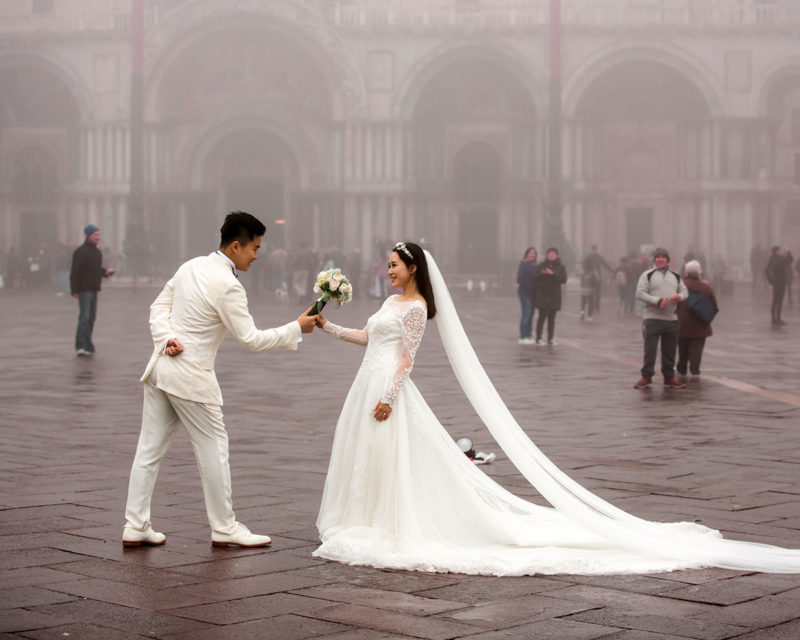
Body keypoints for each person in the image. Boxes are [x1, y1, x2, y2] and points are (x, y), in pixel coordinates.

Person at [311, 240, 800, 575]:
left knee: (393, 456)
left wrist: (388, 398)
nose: (387, 269)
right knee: (368, 456)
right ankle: (368, 514)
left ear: (411, 267)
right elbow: (369, 338)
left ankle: (391, 520)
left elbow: (407, 361)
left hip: (386, 393)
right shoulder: (390, 305)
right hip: (366, 384)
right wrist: (327, 327)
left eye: (393, 264)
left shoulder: (416, 309)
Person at [122, 211, 318, 548]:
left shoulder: (190, 266)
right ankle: (224, 527)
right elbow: (251, 340)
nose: (258, 256)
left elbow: (158, 307)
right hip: (192, 378)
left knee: (148, 451)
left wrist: (166, 336)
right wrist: (296, 328)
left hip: (161, 369)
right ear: (236, 246)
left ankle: (135, 524)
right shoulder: (229, 286)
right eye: (255, 248)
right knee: (214, 449)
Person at [633, 247, 687, 389]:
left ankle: (669, 377)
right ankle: (646, 376)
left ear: (668, 260)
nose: (660, 259)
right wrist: (657, 301)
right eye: (658, 257)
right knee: (650, 350)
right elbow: (640, 293)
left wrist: (679, 296)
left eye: (663, 257)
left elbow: (685, 292)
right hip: (652, 318)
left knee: (670, 351)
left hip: (671, 319)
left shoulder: (675, 276)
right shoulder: (647, 275)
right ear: (654, 260)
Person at [70, 224, 115, 356]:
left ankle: (88, 344)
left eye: (99, 235)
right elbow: (75, 272)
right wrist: (74, 290)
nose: (98, 237)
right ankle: (80, 345)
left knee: (91, 318)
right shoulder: (80, 252)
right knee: (84, 317)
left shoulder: (97, 252)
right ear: (89, 235)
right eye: (96, 235)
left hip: (94, 289)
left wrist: (105, 272)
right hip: (84, 289)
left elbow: (95, 270)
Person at [676, 260, 718, 377]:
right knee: (697, 350)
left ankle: (682, 368)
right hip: (700, 324)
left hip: (682, 324)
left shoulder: (679, 286)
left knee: (682, 349)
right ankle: (695, 370)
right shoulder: (706, 288)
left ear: (687, 273)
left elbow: (673, 304)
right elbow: (714, 305)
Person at [533, 247, 567, 345]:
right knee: (541, 317)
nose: (551, 255)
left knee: (552, 318)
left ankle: (550, 338)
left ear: (557, 255)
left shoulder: (561, 267)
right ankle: (538, 338)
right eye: (550, 253)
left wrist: (552, 274)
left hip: (554, 295)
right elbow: (536, 277)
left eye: (553, 253)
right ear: (547, 255)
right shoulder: (541, 265)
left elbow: (563, 279)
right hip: (543, 294)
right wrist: (543, 274)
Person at [765, 246, 794, 326]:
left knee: (775, 301)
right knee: (779, 301)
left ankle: (773, 319)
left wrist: (771, 281)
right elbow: (790, 259)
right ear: (777, 252)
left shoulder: (771, 259)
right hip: (781, 282)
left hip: (775, 283)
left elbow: (767, 270)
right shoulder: (780, 260)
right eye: (780, 251)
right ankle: (778, 318)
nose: (781, 252)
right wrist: (788, 251)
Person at [582, 245, 612, 315]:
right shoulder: (599, 257)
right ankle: (597, 308)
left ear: (591, 249)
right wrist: (612, 271)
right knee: (597, 293)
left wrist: (585, 274)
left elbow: (584, 267)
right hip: (597, 277)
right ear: (596, 250)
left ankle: (591, 308)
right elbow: (606, 265)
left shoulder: (588, 257)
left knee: (591, 293)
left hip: (590, 278)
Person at [516, 247, 537, 344]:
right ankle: (523, 336)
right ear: (526, 254)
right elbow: (519, 279)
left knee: (531, 315)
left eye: (534, 253)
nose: (532, 255)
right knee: (526, 314)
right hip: (525, 292)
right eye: (530, 253)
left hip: (533, 293)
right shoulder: (524, 264)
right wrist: (528, 287)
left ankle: (528, 335)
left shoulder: (534, 265)